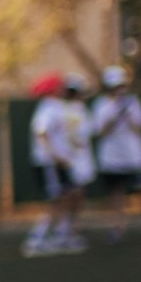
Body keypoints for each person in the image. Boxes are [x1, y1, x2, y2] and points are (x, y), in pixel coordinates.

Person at [24, 78, 90, 256]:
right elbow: (42, 134)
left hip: (56, 162)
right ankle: (37, 239)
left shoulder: (58, 107)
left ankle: (61, 235)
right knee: (56, 202)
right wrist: (56, 156)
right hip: (49, 162)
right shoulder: (48, 107)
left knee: (68, 196)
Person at [90, 65, 141, 240]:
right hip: (111, 158)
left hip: (135, 157)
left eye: (121, 86)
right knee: (116, 193)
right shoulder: (101, 105)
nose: (119, 90)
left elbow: (140, 128)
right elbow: (100, 131)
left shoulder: (133, 102)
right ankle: (118, 227)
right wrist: (115, 116)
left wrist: (127, 114)